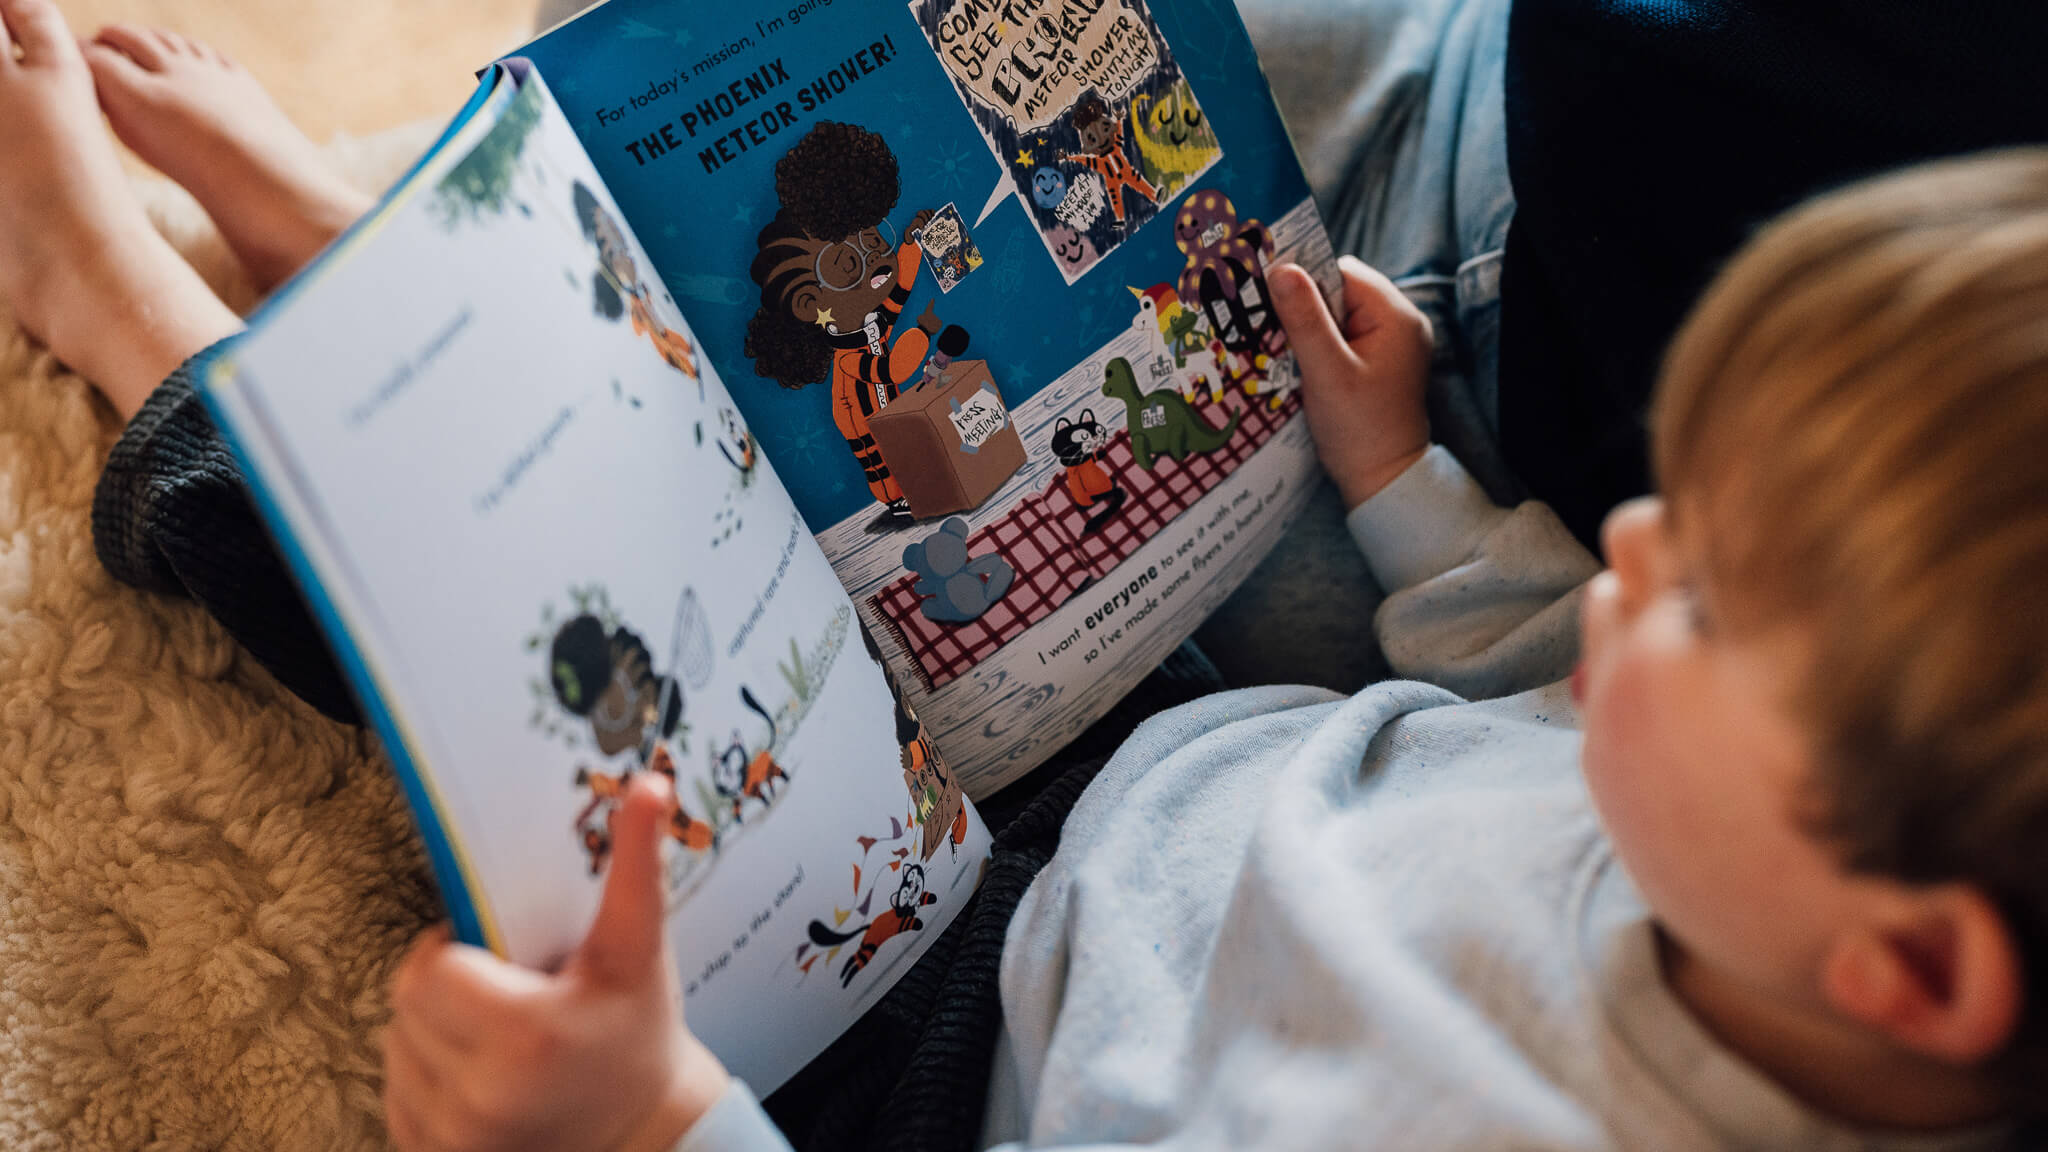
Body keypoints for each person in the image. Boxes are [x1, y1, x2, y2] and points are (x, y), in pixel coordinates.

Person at [384, 148, 2048, 1149]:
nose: (1626, 533)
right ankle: (508, 283)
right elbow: (1539, 679)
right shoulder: (1763, 864)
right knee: (741, 487)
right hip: (1180, 776)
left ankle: (180, 345)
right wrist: (1404, 475)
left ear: (1909, 969)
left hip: (956, 1054)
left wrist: (650, 1119)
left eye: (1705, 596)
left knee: (531, 661)